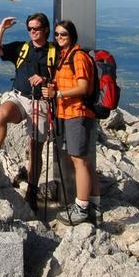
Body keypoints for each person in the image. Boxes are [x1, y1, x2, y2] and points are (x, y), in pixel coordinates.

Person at [45, 19, 101, 225]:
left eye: (64, 35)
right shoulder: (64, 57)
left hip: (77, 113)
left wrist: (57, 93)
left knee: (80, 161)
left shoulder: (78, 57)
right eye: (57, 34)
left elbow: (83, 87)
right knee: (83, 161)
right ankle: (94, 204)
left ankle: (82, 207)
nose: (59, 38)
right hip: (68, 113)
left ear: (72, 36)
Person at [0, 13, 56, 171]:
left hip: (41, 102)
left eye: (36, 28)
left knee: (35, 149)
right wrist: (2, 28)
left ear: (45, 30)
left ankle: (32, 188)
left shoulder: (54, 52)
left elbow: (64, 77)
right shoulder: (22, 48)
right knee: (2, 113)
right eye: (29, 28)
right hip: (19, 97)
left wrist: (45, 79)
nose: (32, 31)